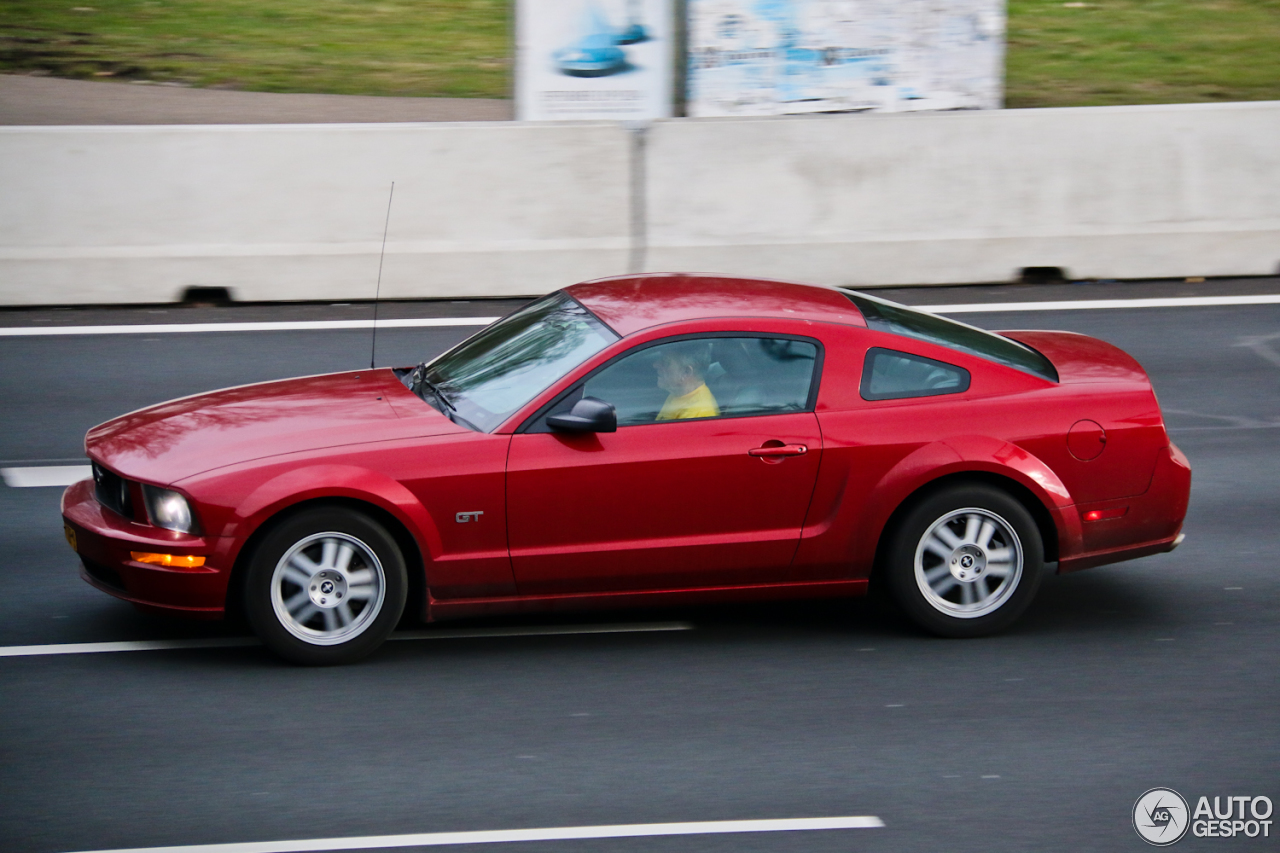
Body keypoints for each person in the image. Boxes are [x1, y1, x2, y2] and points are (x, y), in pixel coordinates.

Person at [654, 342, 719, 420]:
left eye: (666, 362)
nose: (655, 365)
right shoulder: (679, 393)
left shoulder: (699, 414)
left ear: (686, 372)